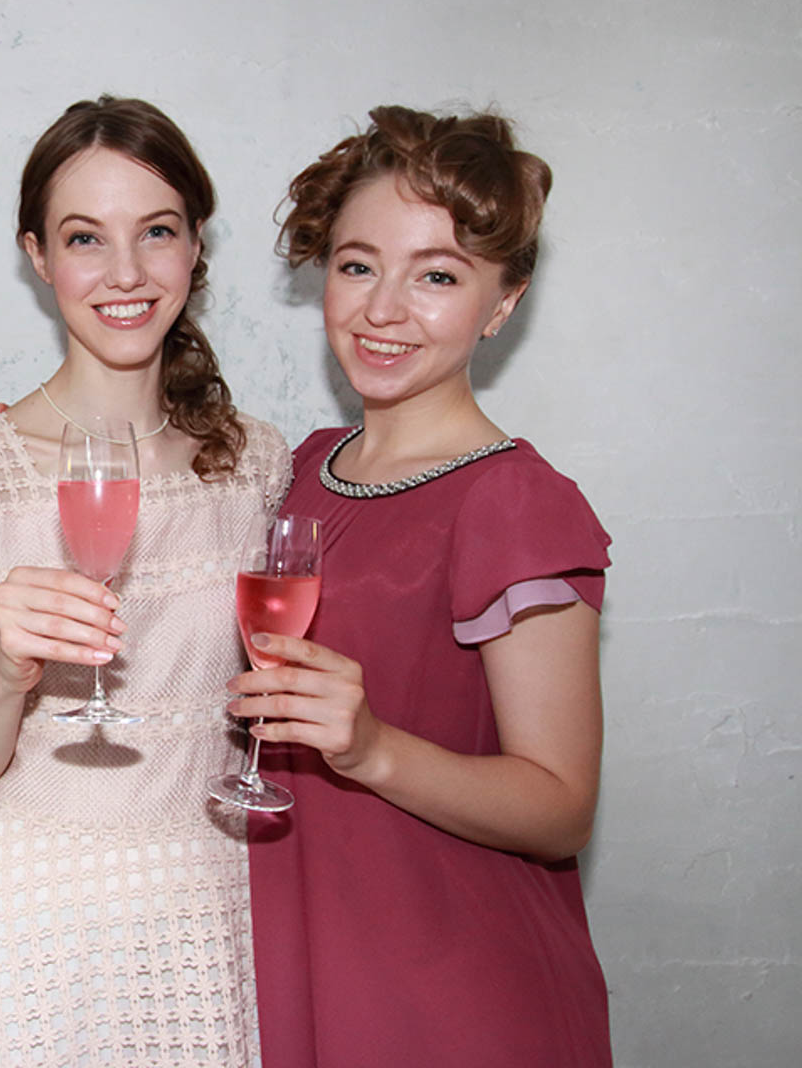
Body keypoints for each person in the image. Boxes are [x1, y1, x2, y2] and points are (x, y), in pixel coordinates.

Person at [0, 97, 290, 1066]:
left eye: (155, 232)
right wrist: (3, 670)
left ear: (197, 244)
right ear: (38, 255)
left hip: (217, 910)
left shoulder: (258, 466)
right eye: (86, 238)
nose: (125, 274)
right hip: (30, 928)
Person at [236, 106, 612, 1066]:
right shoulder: (305, 467)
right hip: (307, 968)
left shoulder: (517, 500)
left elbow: (562, 802)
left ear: (502, 303)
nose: (383, 308)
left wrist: (368, 750)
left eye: (437, 276)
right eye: (358, 265)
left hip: (452, 995)